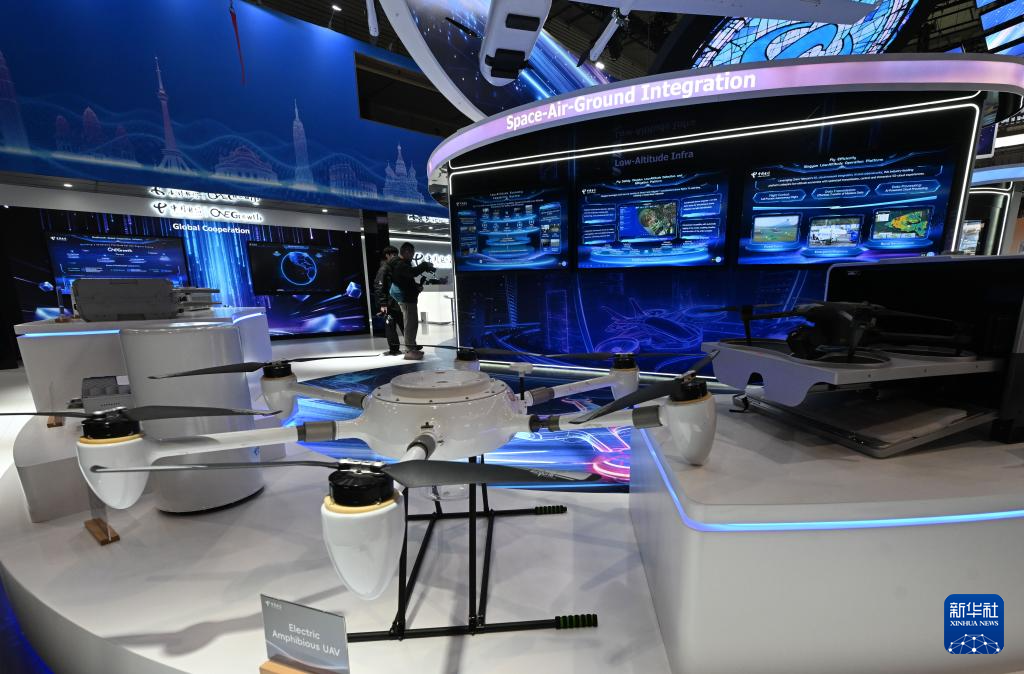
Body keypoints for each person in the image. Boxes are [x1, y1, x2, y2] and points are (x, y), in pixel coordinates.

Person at [389, 241, 434, 360]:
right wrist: (424, 265)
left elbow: (407, 280)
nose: (413, 256)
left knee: (412, 324)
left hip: (408, 298)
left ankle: (412, 348)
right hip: (407, 299)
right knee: (410, 325)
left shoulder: (402, 264)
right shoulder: (400, 264)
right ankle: (409, 351)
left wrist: (416, 287)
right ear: (407, 252)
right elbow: (412, 273)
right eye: (412, 253)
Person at [373, 246, 403, 356]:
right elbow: (379, 286)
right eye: (393, 255)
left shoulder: (394, 267)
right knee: (391, 326)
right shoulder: (384, 268)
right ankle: (394, 349)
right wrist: (383, 303)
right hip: (389, 303)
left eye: (396, 254)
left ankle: (411, 346)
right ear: (387, 255)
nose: (395, 257)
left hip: (397, 302)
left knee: (404, 324)